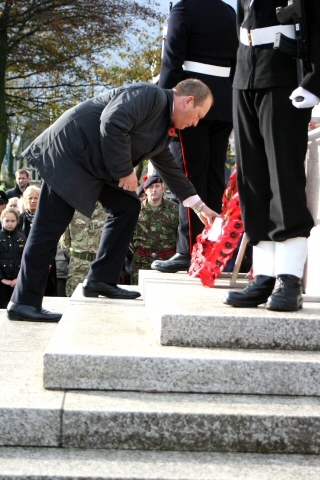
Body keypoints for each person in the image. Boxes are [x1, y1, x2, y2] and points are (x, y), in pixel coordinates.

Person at [6, 79, 218, 323]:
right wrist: (124, 171)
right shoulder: (150, 97)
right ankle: (22, 302)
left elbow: (170, 169)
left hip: (95, 165)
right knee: (47, 229)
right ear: (188, 101)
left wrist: (199, 206)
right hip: (70, 155)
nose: (196, 123)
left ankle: (101, 279)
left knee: (127, 206)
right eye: (198, 115)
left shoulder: (162, 128)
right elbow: (112, 121)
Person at [223, 0, 320, 312]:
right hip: (245, 76)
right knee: (252, 180)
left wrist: (315, 82)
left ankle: (289, 277)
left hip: (284, 74)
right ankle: (264, 274)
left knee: (284, 178)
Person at [151, 0, 238, 274]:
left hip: (190, 103)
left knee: (189, 176)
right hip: (224, 102)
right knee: (213, 177)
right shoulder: (229, 11)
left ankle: (188, 249)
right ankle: (214, 246)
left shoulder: (184, 10)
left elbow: (172, 60)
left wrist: (162, 105)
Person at [130, 176, 179, 284]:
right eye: (150, 187)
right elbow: (129, 235)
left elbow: (181, 234)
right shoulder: (136, 209)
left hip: (167, 260)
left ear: (163, 189)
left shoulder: (174, 209)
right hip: (141, 261)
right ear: (145, 190)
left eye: (157, 186)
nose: (154, 189)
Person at [60, 202, 108, 297]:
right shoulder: (74, 209)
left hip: (100, 267)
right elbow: (65, 243)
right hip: (77, 268)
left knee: (102, 305)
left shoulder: (106, 210)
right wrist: (77, 258)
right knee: (75, 301)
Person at [18, 185, 57, 297]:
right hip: (24, 263)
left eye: (36, 198)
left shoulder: (47, 218)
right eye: (30, 198)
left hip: (45, 262)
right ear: (25, 200)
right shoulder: (20, 219)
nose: (33, 201)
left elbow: (53, 241)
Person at [0, 208, 26, 308]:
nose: (10, 224)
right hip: (2, 282)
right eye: (7, 221)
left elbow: (25, 259)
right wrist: (2, 279)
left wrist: (19, 277)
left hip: (17, 282)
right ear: (2, 220)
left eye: (13, 221)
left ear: (17, 221)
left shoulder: (22, 238)